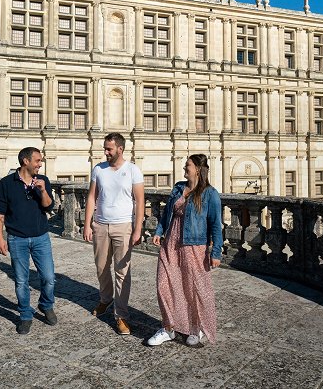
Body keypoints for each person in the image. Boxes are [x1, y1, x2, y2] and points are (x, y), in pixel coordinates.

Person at [146, 153, 223, 347]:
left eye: (187, 165)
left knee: (193, 289)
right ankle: (168, 327)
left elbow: (215, 225)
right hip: (171, 242)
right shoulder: (178, 188)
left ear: (197, 168)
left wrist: (216, 252)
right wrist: (159, 230)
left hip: (194, 246)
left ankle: (195, 329)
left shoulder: (210, 193)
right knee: (164, 284)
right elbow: (167, 213)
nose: (184, 168)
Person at [83, 133, 144, 335]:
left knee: (122, 273)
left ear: (120, 149)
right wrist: (87, 224)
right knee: (101, 267)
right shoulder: (98, 169)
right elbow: (92, 197)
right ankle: (106, 299)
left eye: (109, 149)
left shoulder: (133, 170)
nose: (106, 152)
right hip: (100, 225)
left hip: (123, 226)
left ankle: (121, 316)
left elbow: (140, 201)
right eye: (105, 148)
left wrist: (137, 229)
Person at [0, 147, 57, 335]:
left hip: (41, 237)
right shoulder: (7, 183)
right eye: (37, 160)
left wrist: (43, 190)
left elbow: (48, 206)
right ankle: (25, 315)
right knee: (21, 281)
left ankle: (46, 305)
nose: (40, 164)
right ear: (25, 161)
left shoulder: (43, 180)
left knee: (49, 277)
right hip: (16, 238)